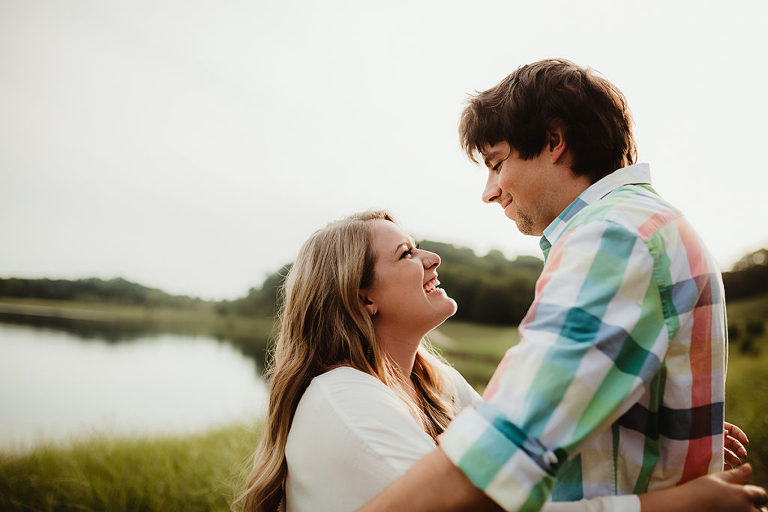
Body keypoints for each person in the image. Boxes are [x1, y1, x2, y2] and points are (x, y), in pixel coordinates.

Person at [358, 59, 767, 511]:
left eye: (496, 164)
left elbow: (504, 451)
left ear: (554, 141)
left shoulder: (613, 237)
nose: (489, 191)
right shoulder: (641, 225)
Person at [235, 210, 762, 512]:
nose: (431, 258)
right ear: (362, 298)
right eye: (406, 254)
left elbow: (525, 464)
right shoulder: (345, 402)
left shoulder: (433, 380)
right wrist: (670, 508)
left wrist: (658, 434)